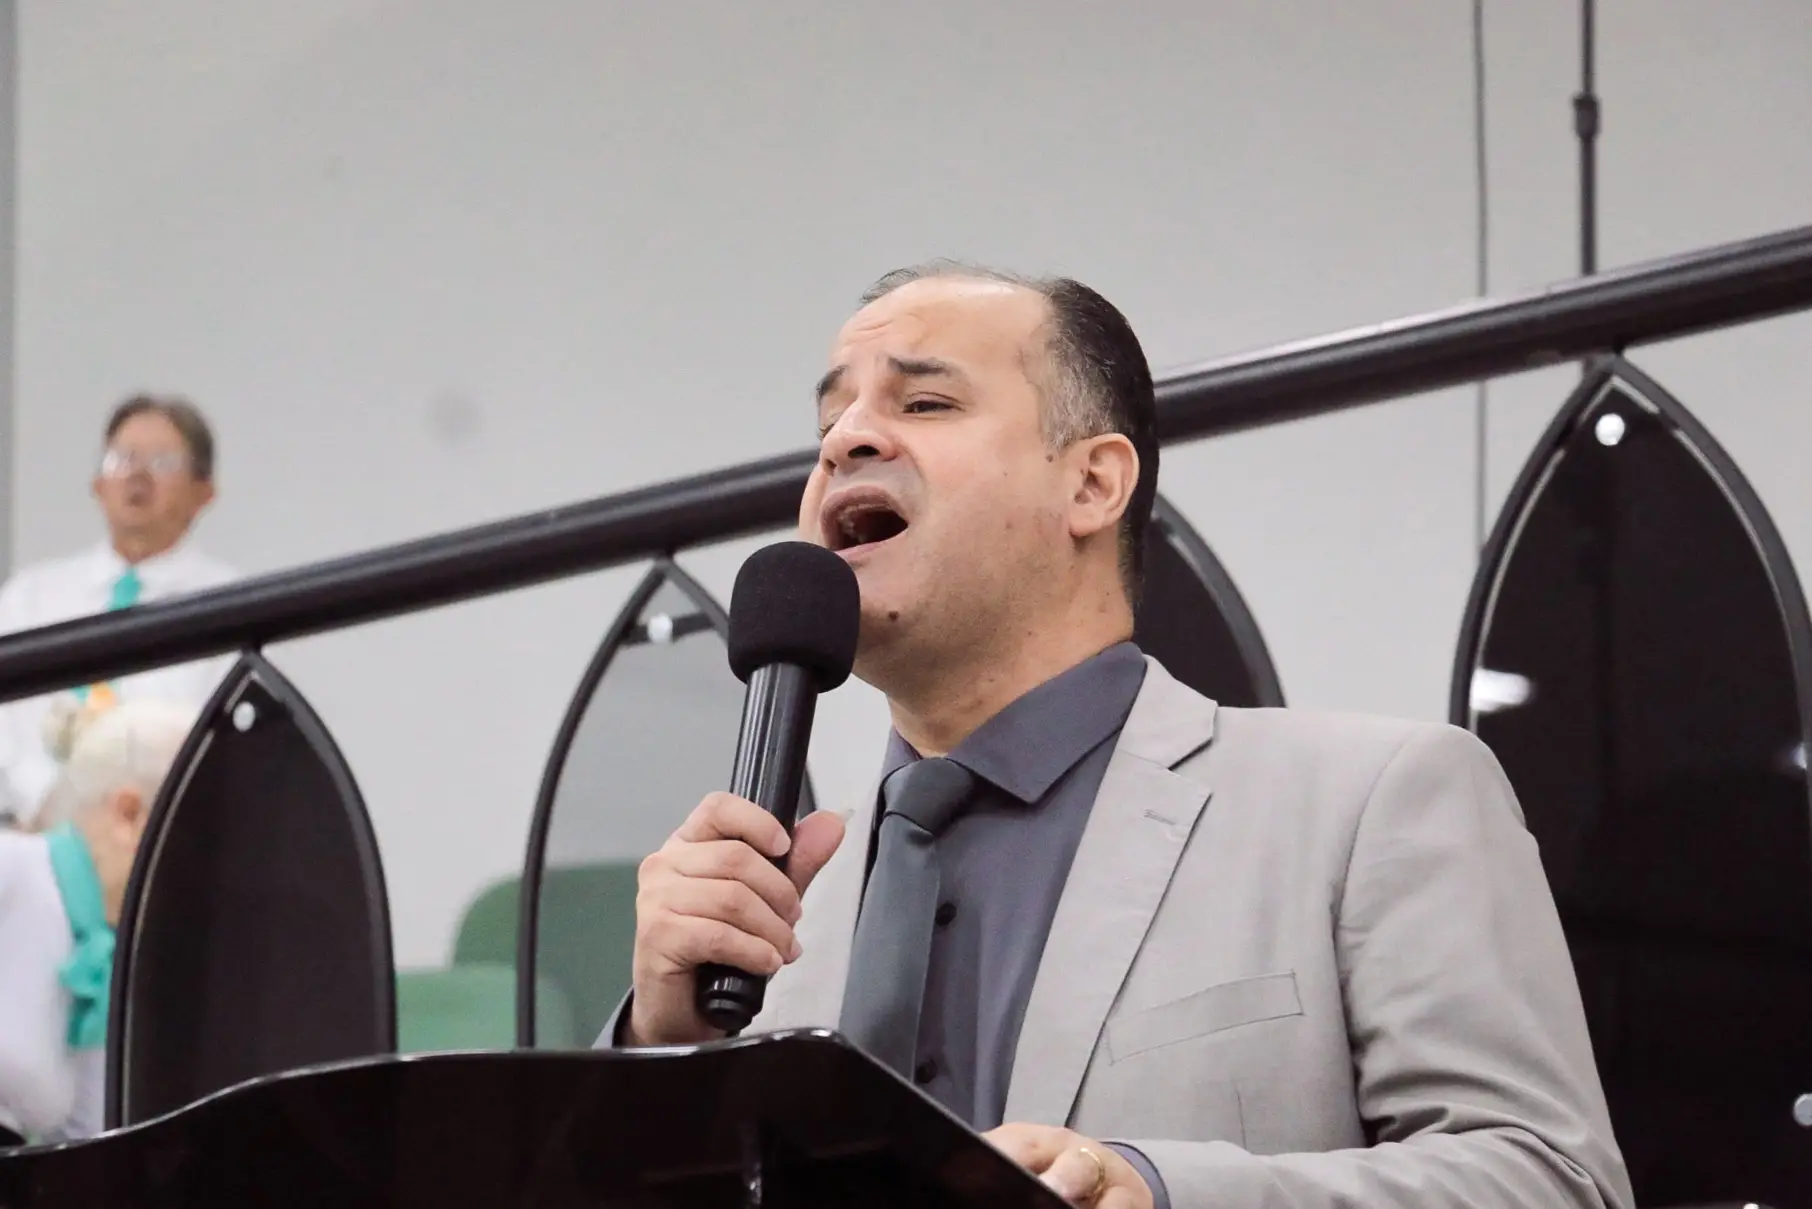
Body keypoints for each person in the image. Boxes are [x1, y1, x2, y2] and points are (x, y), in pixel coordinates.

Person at [604, 264, 1633, 1209]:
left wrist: (1162, 1190)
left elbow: (1551, 1181)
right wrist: (658, 1043)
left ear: (1093, 483)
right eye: (831, 422)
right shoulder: (771, 925)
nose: (845, 443)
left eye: (925, 403)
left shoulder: (1372, 801)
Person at [0, 395, 236, 829]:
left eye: (163, 462)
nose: (137, 474)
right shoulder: (30, 597)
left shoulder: (230, 607)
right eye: (122, 459)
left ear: (204, 493)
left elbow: (222, 745)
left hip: (164, 841)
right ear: (97, 484)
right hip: (32, 836)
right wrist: (49, 805)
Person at [0, 697, 197, 1145]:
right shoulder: (11, 867)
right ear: (128, 814)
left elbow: (88, 1136)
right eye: (201, 831)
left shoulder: (108, 961)